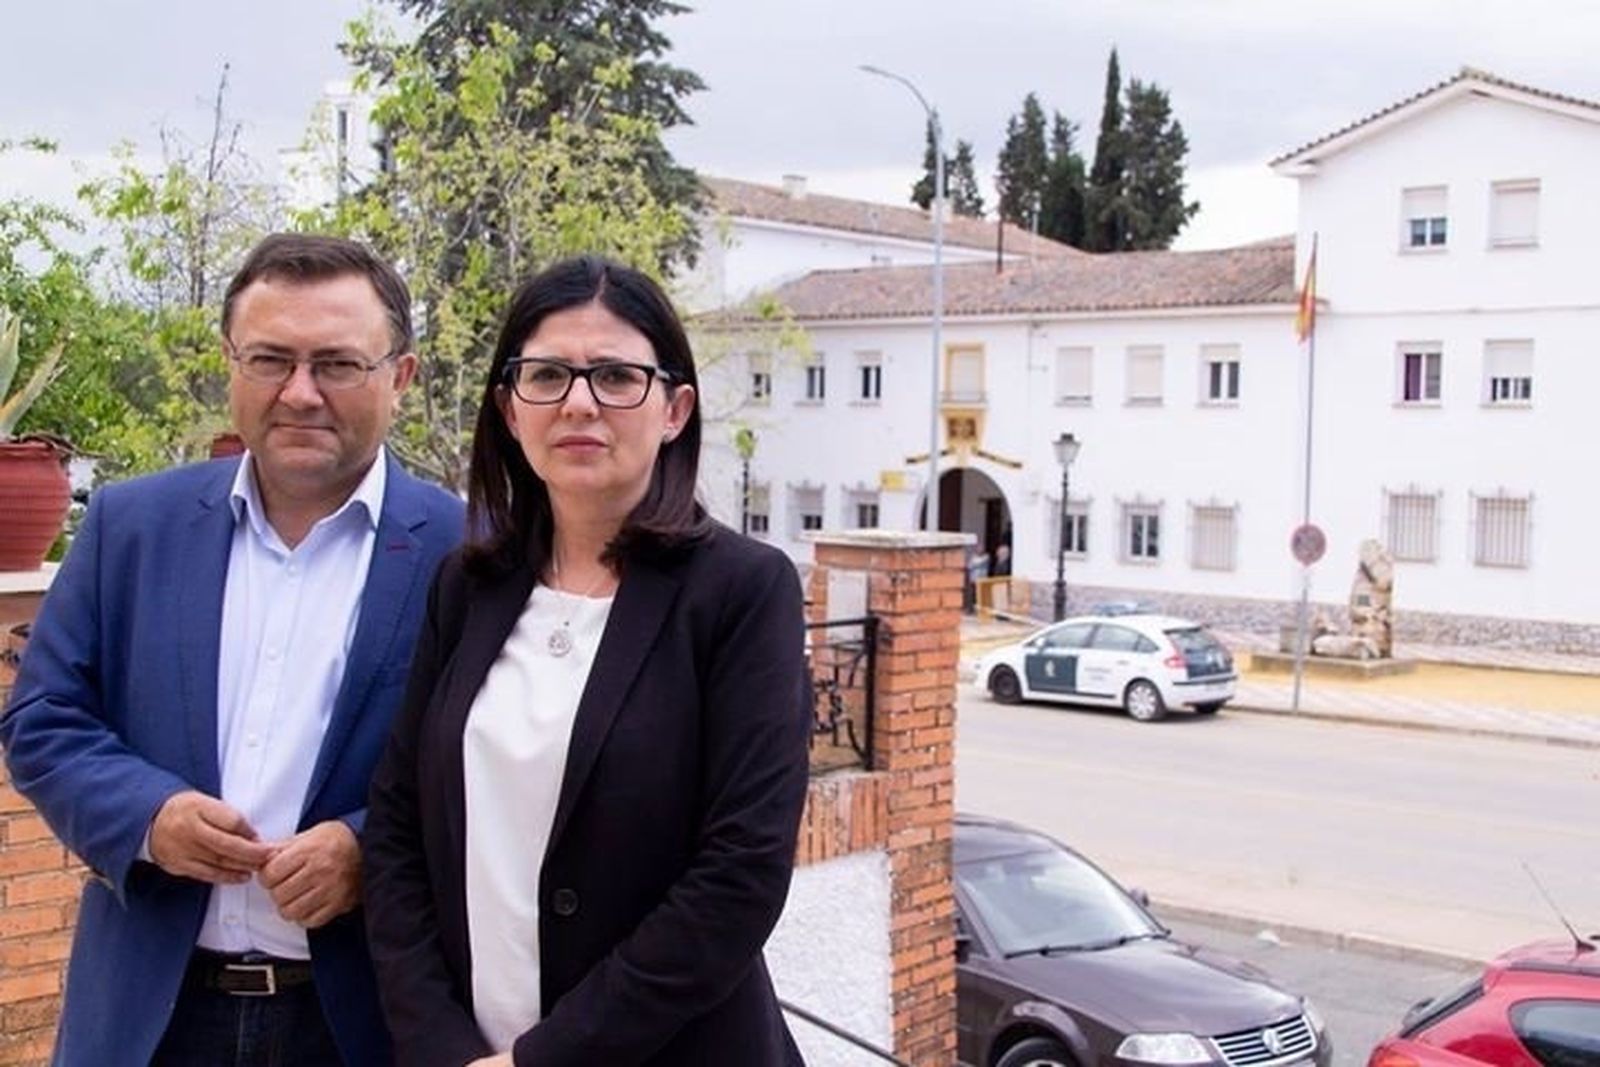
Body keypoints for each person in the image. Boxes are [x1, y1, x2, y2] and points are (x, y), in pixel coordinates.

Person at [1, 234, 465, 1067]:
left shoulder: (471, 555)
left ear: (401, 375)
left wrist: (369, 846)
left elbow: (505, 771)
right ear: (230, 364)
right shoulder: (128, 527)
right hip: (151, 1018)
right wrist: (149, 815)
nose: (300, 393)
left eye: (337, 364)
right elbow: (43, 717)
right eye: (270, 359)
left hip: (365, 1022)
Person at [363, 255, 811, 1067]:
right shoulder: (468, 587)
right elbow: (396, 829)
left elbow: (739, 875)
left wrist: (544, 1059)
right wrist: (436, 1042)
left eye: (614, 376)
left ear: (675, 408)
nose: (578, 402)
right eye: (547, 375)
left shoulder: (741, 592)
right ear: (508, 406)